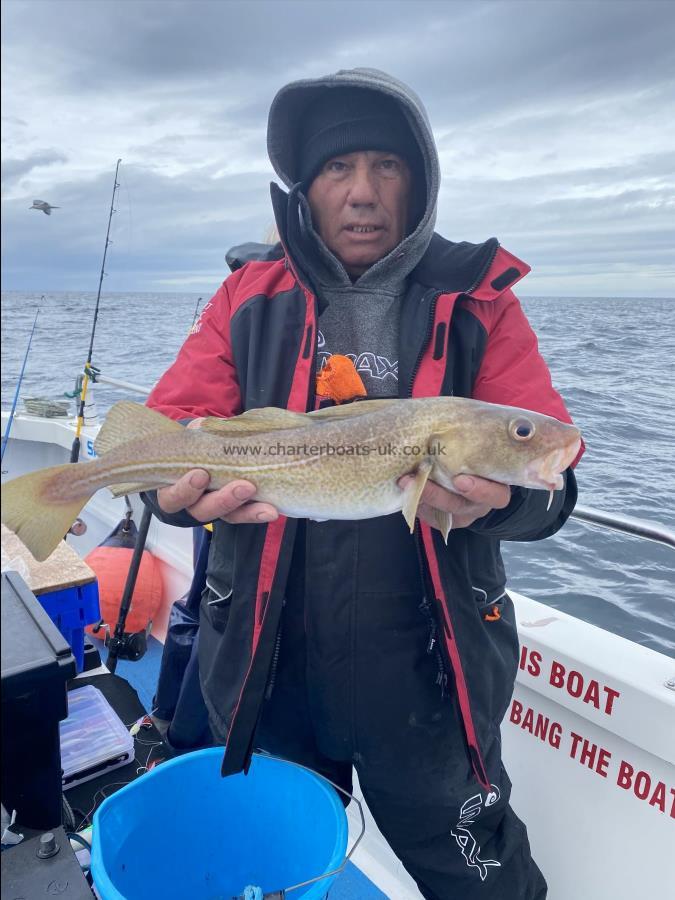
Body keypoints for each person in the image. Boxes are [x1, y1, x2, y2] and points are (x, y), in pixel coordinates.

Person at [142, 68, 582, 900]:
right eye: (338, 169)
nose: (363, 193)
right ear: (304, 187)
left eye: (386, 166)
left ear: (419, 182)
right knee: (270, 871)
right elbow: (173, 430)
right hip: (271, 661)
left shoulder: (478, 297)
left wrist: (516, 497)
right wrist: (165, 493)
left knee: (484, 882)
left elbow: (548, 473)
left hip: (429, 672)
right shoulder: (247, 294)